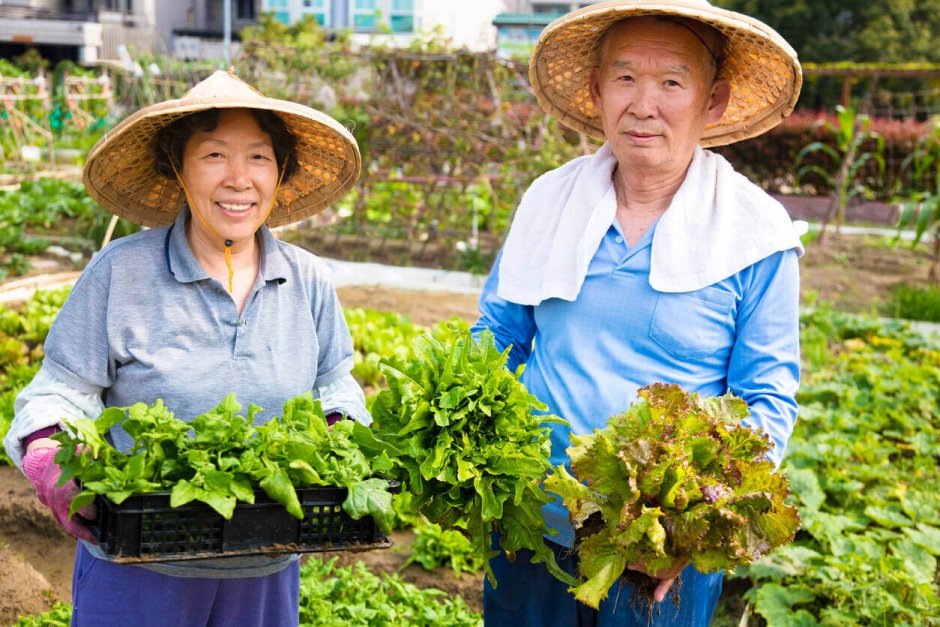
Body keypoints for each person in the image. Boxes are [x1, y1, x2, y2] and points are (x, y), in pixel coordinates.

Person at [472, 1, 804, 625]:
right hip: (527, 528)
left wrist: (690, 534)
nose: (643, 104)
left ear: (713, 100)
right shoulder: (550, 201)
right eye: (624, 78)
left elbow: (767, 400)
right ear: (597, 92)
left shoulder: (755, 235)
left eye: (672, 82)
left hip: (655, 558)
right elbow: (496, 337)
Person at [3, 70, 369, 627]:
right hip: (140, 564)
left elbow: (334, 383)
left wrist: (342, 427)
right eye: (214, 155)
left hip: (266, 567)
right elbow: (60, 392)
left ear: (281, 172)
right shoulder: (119, 272)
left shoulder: (308, 279)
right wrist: (50, 453)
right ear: (179, 167)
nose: (239, 179)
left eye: (259, 158)